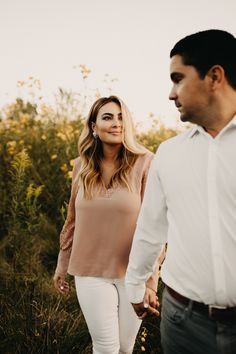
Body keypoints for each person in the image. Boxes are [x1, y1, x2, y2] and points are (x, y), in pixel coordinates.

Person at [125, 29, 236, 354]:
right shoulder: (169, 154)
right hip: (183, 323)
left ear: (215, 76)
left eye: (178, 79)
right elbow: (151, 228)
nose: (171, 94)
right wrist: (135, 285)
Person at [53, 95, 162, 354]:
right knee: (106, 346)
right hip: (90, 272)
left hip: (133, 273)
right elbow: (72, 220)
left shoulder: (146, 162)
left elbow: (155, 226)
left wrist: (150, 282)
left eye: (121, 116)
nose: (116, 123)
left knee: (125, 347)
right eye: (107, 117)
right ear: (93, 126)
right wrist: (62, 264)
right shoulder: (81, 166)